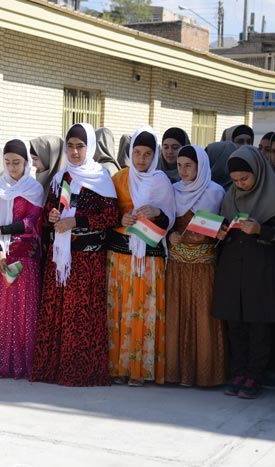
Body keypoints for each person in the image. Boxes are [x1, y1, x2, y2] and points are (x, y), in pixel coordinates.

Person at [31, 123, 119, 387]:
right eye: (70, 146)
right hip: (60, 258)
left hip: (85, 260)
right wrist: (52, 214)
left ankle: (78, 371)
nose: (75, 151)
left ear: (89, 147)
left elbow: (110, 216)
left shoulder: (101, 177)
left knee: (80, 316)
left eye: (80, 146)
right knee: (57, 313)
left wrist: (76, 221)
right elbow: (50, 207)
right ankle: (53, 369)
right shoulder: (61, 178)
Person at [212, 146, 275, 399]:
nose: (240, 183)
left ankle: (255, 375)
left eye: (245, 178)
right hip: (233, 268)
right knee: (235, 323)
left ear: (258, 172)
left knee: (258, 325)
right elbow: (224, 224)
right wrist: (221, 232)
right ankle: (238, 372)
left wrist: (261, 230)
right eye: (235, 180)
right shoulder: (230, 196)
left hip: (260, 269)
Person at [106, 126, 174, 386]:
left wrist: (157, 211)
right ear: (130, 153)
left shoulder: (161, 181)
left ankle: (139, 370)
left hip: (148, 257)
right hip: (120, 256)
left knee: (142, 312)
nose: (142, 159)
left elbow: (171, 219)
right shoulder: (120, 179)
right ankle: (118, 368)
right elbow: (108, 212)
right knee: (120, 311)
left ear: (154, 155)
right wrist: (119, 218)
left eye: (147, 154)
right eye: (137, 153)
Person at [166, 145, 226, 387]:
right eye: (179, 165)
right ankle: (176, 372)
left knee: (203, 317)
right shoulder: (172, 190)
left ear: (200, 166)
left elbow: (222, 226)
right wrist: (169, 236)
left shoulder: (216, 192)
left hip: (204, 266)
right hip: (177, 265)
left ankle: (205, 374)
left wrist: (221, 233)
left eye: (188, 165)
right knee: (176, 316)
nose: (183, 170)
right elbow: (165, 222)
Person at [0, 139, 43, 379]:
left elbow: (32, 222)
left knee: (21, 311)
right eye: (7, 162)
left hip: (22, 256)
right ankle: (1, 363)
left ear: (26, 163)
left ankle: (20, 363)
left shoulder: (34, 188)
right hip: (0, 256)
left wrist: (2, 231)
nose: (12, 167)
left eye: (16, 162)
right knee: (1, 310)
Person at [30, 135, 66, 201]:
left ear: (49, 157)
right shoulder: (40, 181)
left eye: (35, 159)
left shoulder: (67, 185)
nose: (33, 164)